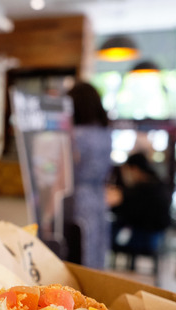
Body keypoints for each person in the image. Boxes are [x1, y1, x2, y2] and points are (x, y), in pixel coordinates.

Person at [67, 82, 111, 270]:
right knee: (95, 251)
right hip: (99, 197)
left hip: (76, 199)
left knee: (78, 250)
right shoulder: (105, 134)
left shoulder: (75, 136)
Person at [107, 152, 172, 255]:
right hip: (158, 236)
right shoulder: (157, 183)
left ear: (134, 169)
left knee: (110, 229)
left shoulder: (144, 188)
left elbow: (123, 208)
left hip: (146, 237)